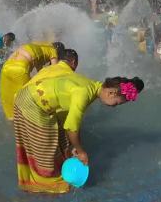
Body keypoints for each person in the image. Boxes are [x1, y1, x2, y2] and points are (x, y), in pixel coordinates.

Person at [13, 49, 143, 193]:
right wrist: (81, 151)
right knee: (46, 149)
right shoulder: (83, 94)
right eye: (117, 103)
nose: (115, 107)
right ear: (112, 92)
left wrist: (74, 145)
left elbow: (73, 122)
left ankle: (44, 179)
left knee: (59, 142)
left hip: (29, 96)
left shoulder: (91, 86)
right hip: (31, 103)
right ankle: (46, 188)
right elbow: (71, 128)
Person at [0, 41, 65, 120]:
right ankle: (28, 124)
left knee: (9, 100)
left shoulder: (39, 46)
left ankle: (11, 122)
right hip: (19, 70)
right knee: (26, 101)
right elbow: (54, 72)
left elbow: (40, 71)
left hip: (6, 67)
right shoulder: (53, 51)